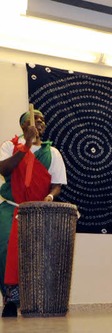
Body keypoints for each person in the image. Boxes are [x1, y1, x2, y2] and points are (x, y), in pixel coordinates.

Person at [0, 109, 67, 317]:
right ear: (23, 125)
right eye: (34, 119)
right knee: (4, 251)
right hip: (12, 207)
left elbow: (57, 184)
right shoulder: (10, 146)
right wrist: (26, 146)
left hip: (39, 212)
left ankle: (35, 301)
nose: (40, 122)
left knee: (37, 257)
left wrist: (51, 197)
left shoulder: (52, 153)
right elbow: (4, 170)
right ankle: (10, 299)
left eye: (42, 120)